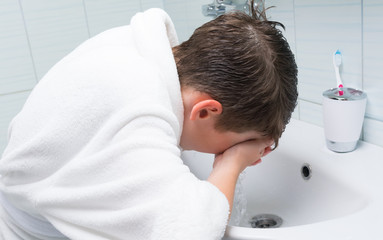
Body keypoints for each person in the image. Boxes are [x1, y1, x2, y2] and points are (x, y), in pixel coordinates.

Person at [0, 1, 297, 239]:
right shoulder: (139, 112)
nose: (226, 151)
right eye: (235, 143)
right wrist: (231, 163)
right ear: (205, 111)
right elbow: (190, 231)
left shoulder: (132, 46)